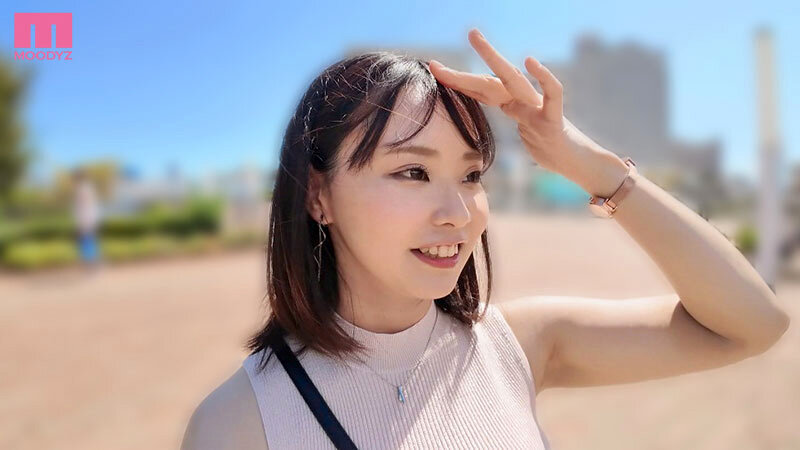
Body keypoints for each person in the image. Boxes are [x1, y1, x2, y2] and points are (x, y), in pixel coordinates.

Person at [181, 29, 790, 449]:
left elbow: (753, 324)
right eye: (412, 172)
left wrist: (586, 164)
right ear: (318, 195)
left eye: (472, 176)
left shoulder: (517, 346)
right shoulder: (240, 422)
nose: (458, 214)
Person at [72, 168, 102, 269]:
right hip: (88, 219)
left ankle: (91, 264)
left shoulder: (82, 188)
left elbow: (84, 206)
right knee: (89, 241)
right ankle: (91, 263)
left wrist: (82, 223)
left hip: (86, 219)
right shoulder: (86, 188)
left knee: (87, 242)